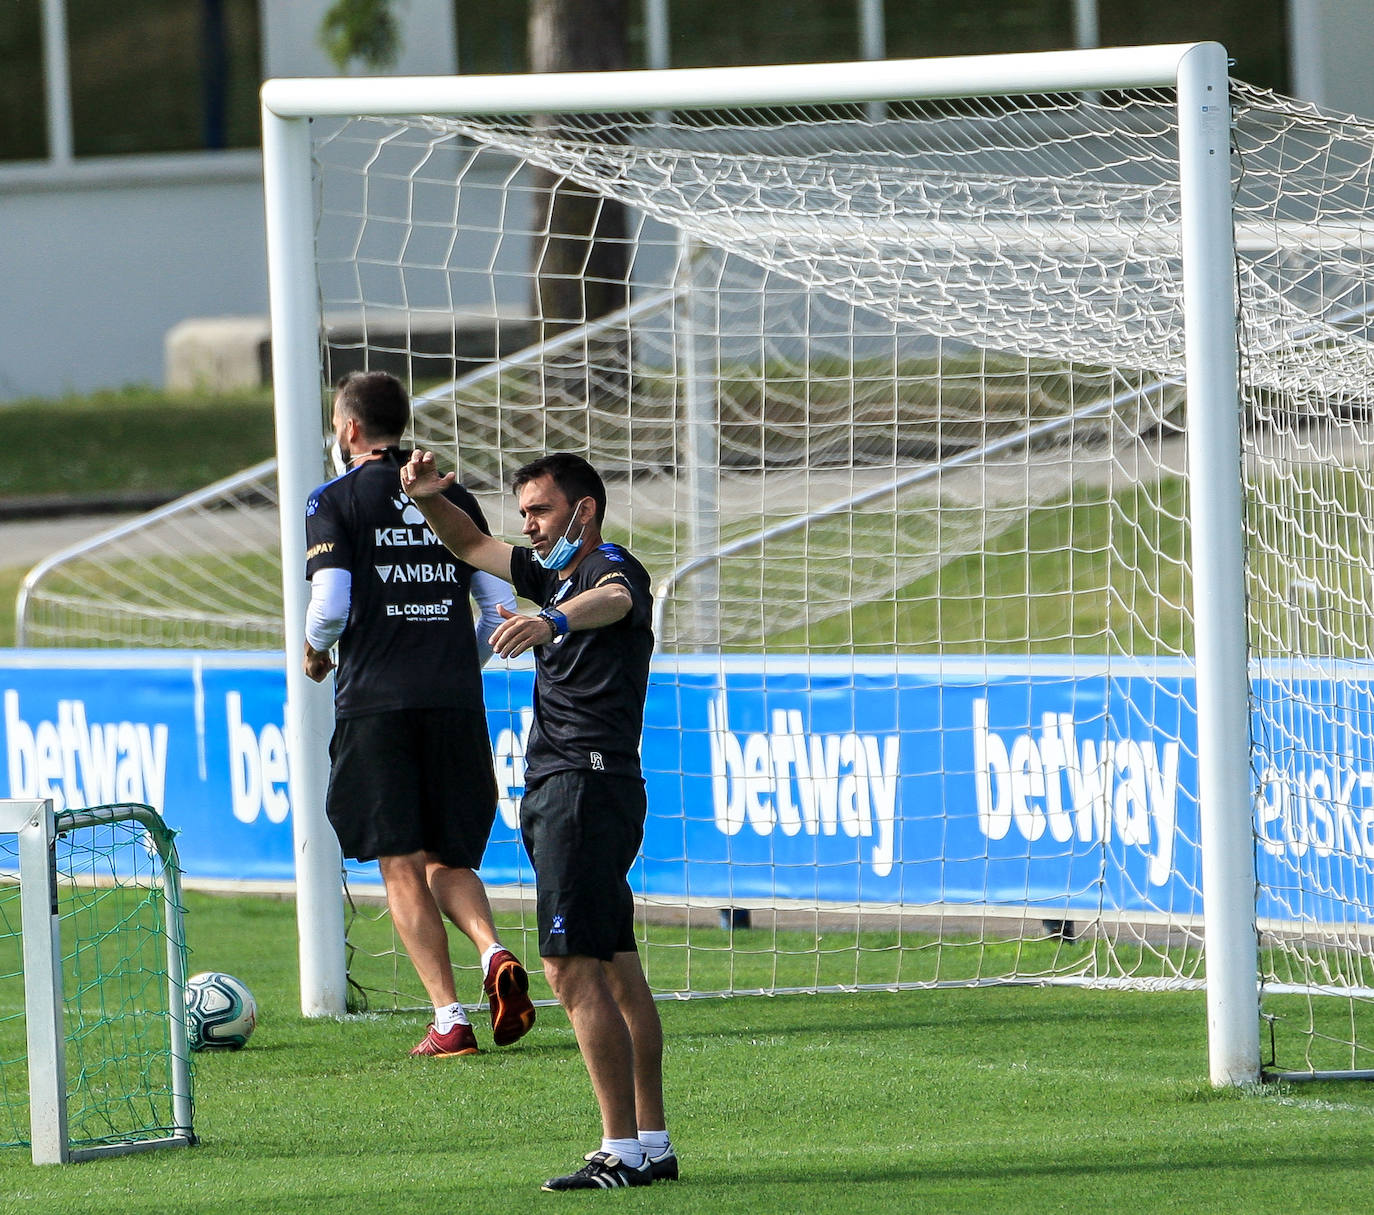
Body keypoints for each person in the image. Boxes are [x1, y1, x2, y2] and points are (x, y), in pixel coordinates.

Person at [399, 447, 677, 1191]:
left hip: (582, 787)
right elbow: (467, 544)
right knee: (616, 965)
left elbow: (614, 598)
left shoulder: (603, 566)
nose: (528, 523)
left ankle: (618, 1148)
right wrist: (428, 497)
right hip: (583, 787)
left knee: (566, 965)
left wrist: (551, 622)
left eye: (541, 510)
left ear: (582, 511)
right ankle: (651, 1140)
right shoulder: (547, 570)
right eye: (523, 512)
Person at [303, 370, 535, 1058]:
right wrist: (457, 661)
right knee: (448, 855)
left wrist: (316, 653)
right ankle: (493, 952)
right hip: (455, 702)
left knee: (401, 863)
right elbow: (500, 610)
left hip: (378, 704)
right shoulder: (451, 494)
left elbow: (332, 607)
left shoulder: (334, 499)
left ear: (348, 430)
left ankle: (449, 1017)